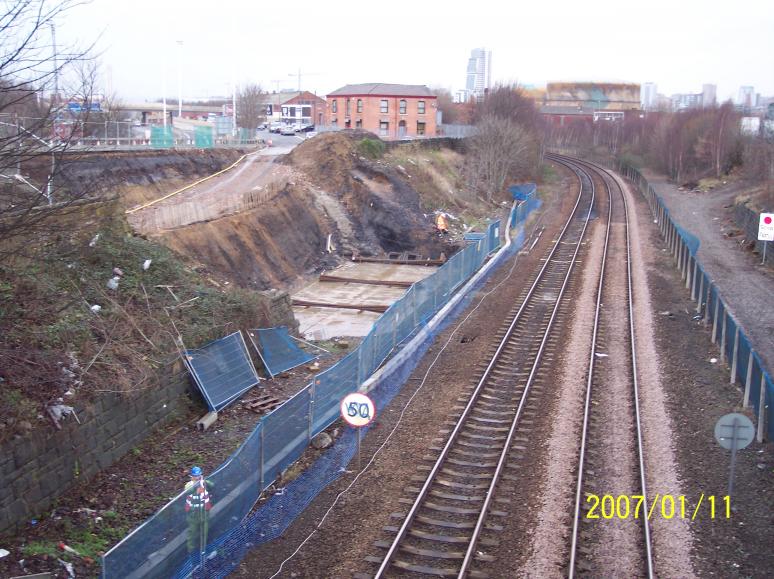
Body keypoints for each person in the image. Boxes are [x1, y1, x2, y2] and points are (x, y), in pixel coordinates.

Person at [184, 466, 214, 555]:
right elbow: (187, 491)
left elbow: (212, 486)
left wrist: (204, 482)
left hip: (204, 513)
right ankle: (191, 552)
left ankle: (203, 550)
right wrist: (196, 486)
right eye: (195, 476)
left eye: (199, 475)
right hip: (193, 514)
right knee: (192, 533)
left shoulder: (204, 483)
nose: (197, 477)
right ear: (192, 476)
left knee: (205, 532)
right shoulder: (189, 484)